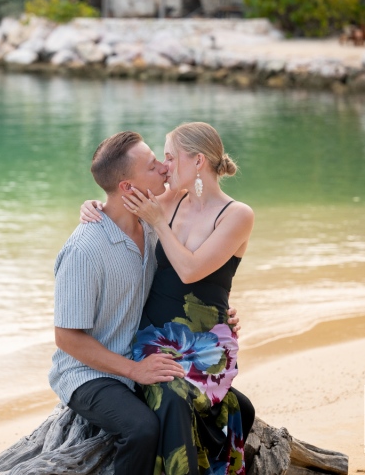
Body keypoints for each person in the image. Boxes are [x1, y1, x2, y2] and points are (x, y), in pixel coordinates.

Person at [49, 131, 240, 475]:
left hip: (141, 355)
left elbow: (184, 281)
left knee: (240, 409)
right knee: (141, 429)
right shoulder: (85, 250)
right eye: (154, 166)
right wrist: (135, 371)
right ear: (128, 188)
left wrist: (217, 317)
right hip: (88, 373)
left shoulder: (152, 226)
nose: (165, 171)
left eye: (164, 161)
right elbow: (67, 339)